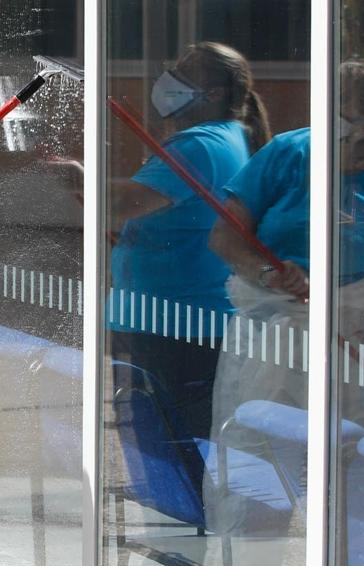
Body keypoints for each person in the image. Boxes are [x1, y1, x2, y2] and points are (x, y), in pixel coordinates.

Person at [205, 60, 364, 566]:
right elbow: (226, 237)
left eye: (358, 124)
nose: (346, 135)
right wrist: (269, 272)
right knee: (253, 468)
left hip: (352, 349)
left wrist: (362, 312)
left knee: (357, 477)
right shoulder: (289, 155)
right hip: (272, 341)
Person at [108, 42, 271, 446]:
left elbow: (122, 202)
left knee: (171, 450)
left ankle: (185, 514)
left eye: (185, 72)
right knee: (174, 447)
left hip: (179, 326)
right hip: (174, 321)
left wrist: (73, 176)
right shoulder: (224, 137)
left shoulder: (200, 144)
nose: (169, 77)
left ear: (214, 94)